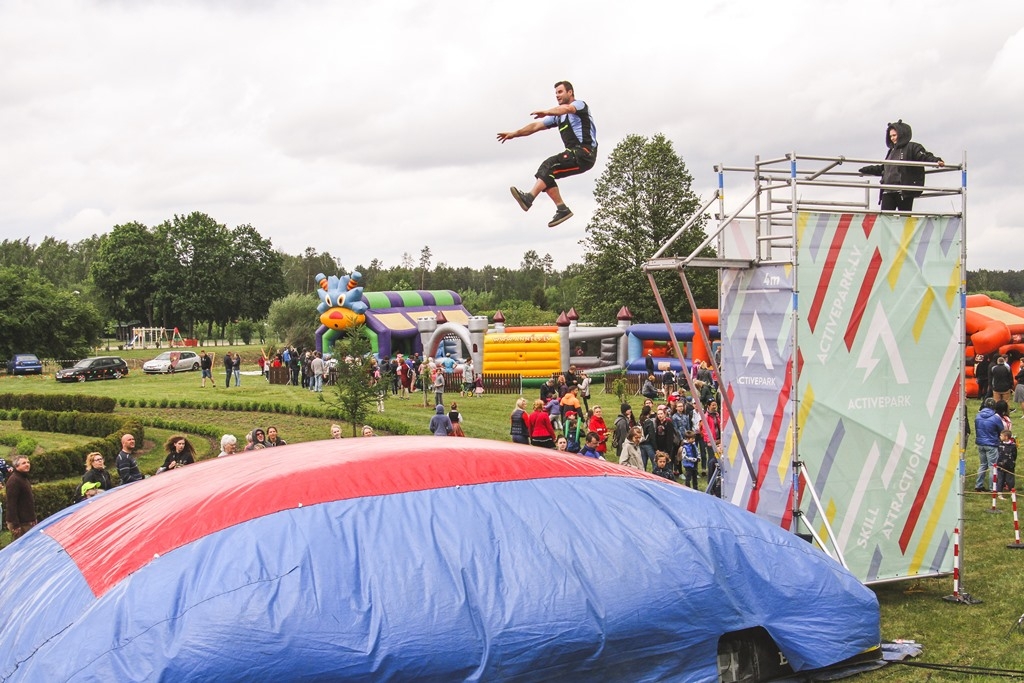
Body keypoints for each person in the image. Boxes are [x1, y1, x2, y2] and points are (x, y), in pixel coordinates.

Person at [498, 80, 597, 228]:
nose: (557, 95)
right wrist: (514, 134)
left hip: (585, 153)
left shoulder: (579, 105)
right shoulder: (558, 117)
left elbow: (567, 109)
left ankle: (529, 198)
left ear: (570, 92)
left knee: (550, 164)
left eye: (560, 92)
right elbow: (536, 126)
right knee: (545, 172)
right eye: (556, 93)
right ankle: (562, 209)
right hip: (574, 154)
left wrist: (547, 111)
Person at [859, 120, 944, 212]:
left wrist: (936, 161)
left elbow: (924, 156)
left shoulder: (912, 147)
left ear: (902, 134)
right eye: (890, 136)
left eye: (894, 135)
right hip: (887, 191)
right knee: (885, 219)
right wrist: (866, 170)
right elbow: (884, 168)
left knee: (905, 221)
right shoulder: (891, 151)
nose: (892, 138)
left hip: (903, 191)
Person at [975, 398, 1005, 491]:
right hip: (991, 443)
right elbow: (1001, 430)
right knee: (993, 466)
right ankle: (993, 488)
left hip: (980, 443)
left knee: (983, 465)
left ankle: (978, 485)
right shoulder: (995, 418)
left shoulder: (978, 416)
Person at [4, 456, 35, 540]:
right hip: (20, 523)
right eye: (24, 463)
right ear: (17, 466)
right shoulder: (14, 481)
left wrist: (33, 518)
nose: (27, 464)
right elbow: (11, 504)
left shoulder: (23, 478)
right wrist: (16, 525)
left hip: (27, 520)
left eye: (28, 462)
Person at [996, 429, 1017, 498]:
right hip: (1000, 465)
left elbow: (1014, 455)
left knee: (1010, 480)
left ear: (1006, 437)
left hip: (1009, 466)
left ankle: (1012, 492)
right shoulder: (999, 444)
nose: (1000, 437)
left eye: (1001, 436)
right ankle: (999, 493)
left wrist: (1012, 462)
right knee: (1000, 480)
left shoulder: (1013, 446)